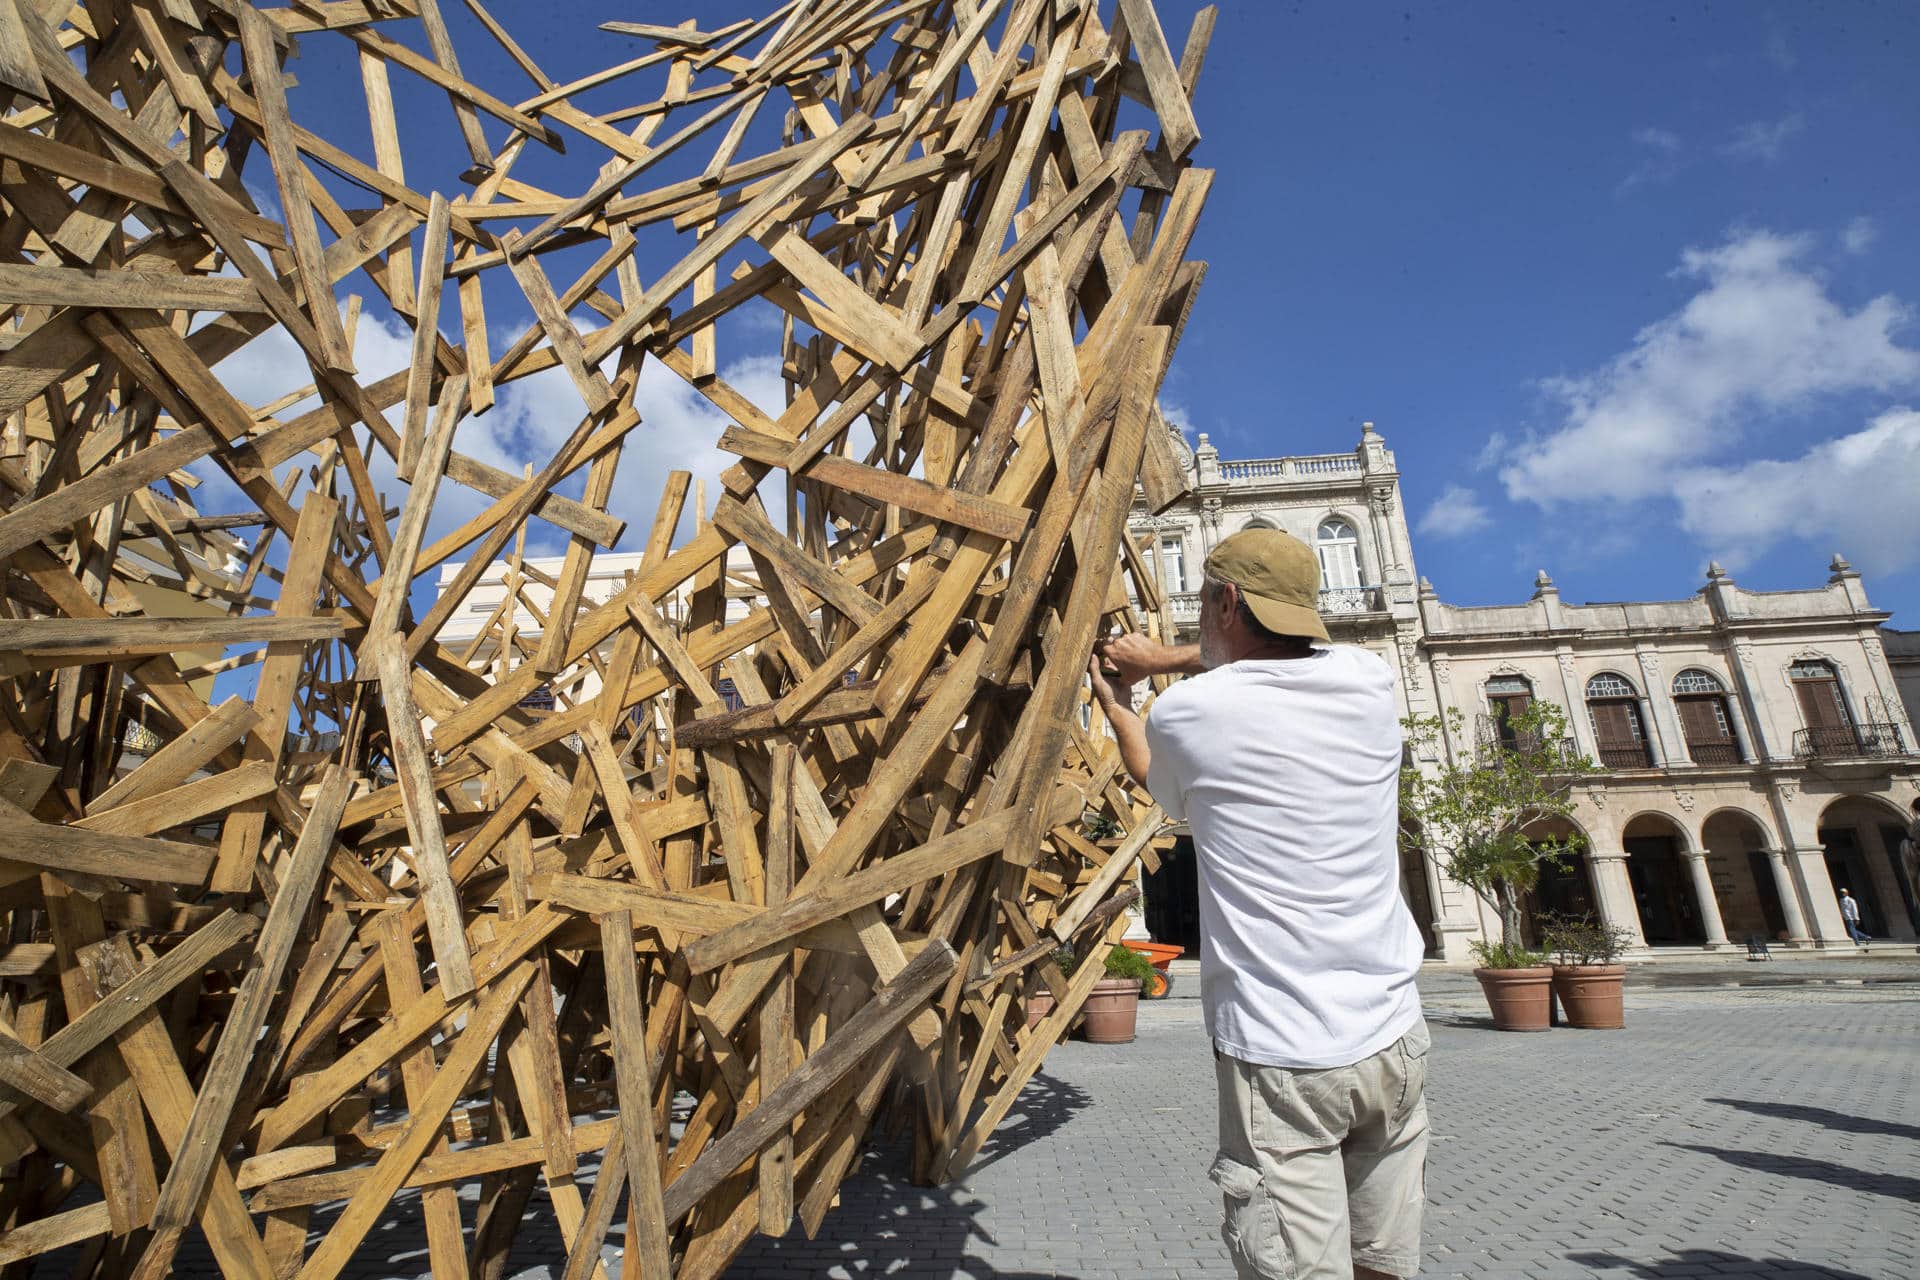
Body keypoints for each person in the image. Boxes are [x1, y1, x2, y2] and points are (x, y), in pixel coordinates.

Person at [1088, 527, 1428, 1280]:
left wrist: (1121, 702)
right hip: (1395, 1037)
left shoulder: (1192, 714)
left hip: (1283, 1055)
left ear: (1226, 601)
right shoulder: (1370, 681)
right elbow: (1283, 655)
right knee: (1383, 1263)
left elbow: (1161, 786)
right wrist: (1180, 657)